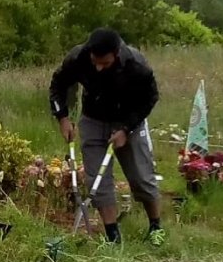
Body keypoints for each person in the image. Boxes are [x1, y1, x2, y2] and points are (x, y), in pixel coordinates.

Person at [49, 27, 165, 245]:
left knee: (141, 177)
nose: (98, 67)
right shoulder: (79, 57)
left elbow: (149, 99)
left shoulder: (136, 66)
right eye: (95, 62)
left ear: (117, 53)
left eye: (105, 63)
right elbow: (58, 85)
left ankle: (155, 226)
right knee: (98, 179)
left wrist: (126, 129)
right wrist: (63, 118)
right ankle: (113, 235)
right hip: (93, 119)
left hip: (128, 120)